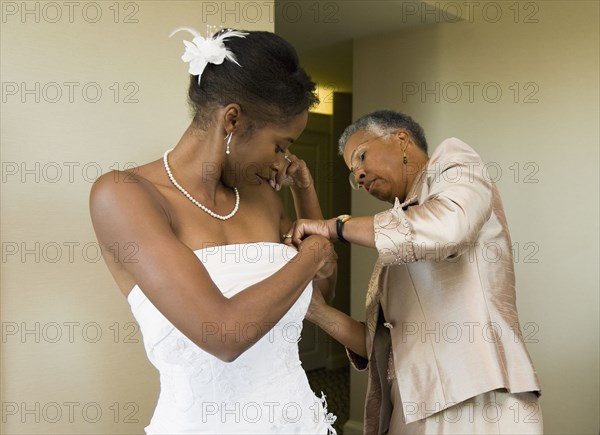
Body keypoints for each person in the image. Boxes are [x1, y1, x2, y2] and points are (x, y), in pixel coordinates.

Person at [89, 27, 337, 434]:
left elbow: (319, 296)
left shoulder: (261, 198)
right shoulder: (124, 196)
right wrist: (312, 255)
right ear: (233, 120)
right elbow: (223, 334)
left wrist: (305, 191)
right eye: (280, 145)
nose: (283, 160)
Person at [292, 110, 542, 434]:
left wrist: (337, 227)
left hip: (473, 398)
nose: (360, 176)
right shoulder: (397, 235)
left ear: (401, 139)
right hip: (410, 410)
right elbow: (379, 345)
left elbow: (449, 228)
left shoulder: (453, 162)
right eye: (354, 173)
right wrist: (315, 309)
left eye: (362, 157)